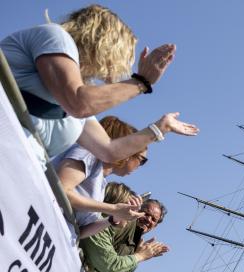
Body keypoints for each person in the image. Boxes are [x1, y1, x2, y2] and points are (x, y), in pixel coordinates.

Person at [1, 4, 197, 166]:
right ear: (106, 42)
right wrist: (141, 82)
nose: (119, 66)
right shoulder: (55, 36)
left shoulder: (78, 110)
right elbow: (80, 102)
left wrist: (159, 128)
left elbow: (109, 151)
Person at [55, 116, 145, 234]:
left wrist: (114, 218)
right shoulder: (88, 155)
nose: (140, 165)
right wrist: (114, 209)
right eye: (142, 160)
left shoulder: (101, 183)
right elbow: (62, 191)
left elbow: (80, 231)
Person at [81, 197, 169, 272]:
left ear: (155, 226)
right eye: (146, 213)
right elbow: (95, 244)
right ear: (136, 211)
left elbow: (120, 269)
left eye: (153, 219)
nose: (148, 219)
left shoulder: (137, 241)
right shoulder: (123, 224)